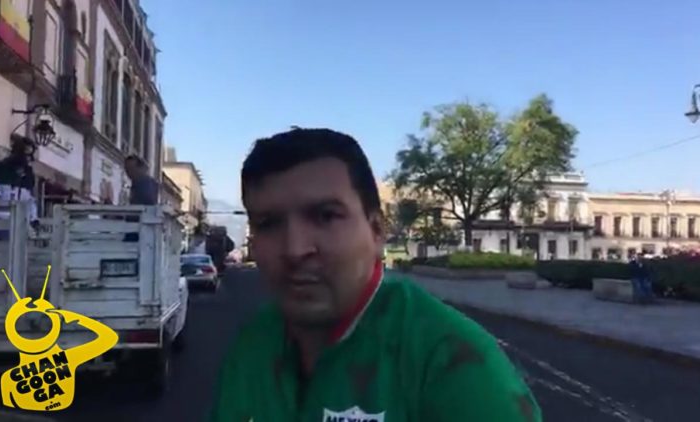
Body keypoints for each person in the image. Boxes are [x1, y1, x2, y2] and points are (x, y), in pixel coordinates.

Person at [208, 128, 541, 421]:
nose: (295, 249)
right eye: (268, 223)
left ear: (377, 230)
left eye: (325, 216)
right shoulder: (252, 346)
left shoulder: (456, 366)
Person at [0, 137, 40, 240]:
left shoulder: (28, 173)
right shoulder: (1, 168)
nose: (27, 158)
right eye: (25, 154)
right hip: (1, 218)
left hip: (19, 222)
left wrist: (33, 218)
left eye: (29, 155)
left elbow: (29, 198)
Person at [123, 155, 158, 242]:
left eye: (131, 169)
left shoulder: (144, 183)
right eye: (127, 169)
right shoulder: (140, 183)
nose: (129, 173)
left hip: (139, 227)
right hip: (139, 227)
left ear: (140, 168)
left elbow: (148, 201)